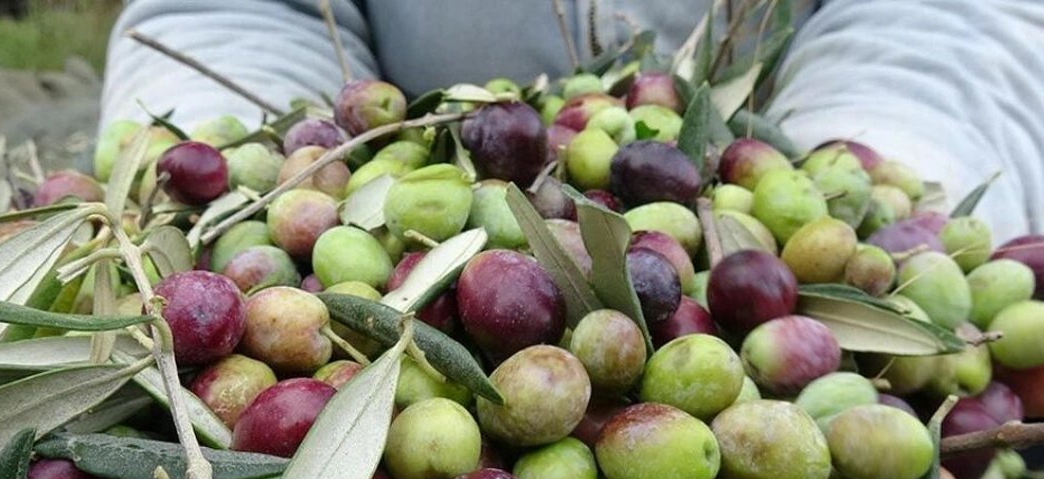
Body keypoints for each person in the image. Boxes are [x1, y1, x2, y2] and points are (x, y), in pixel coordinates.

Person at [99, 0, 1044, 243]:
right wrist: (234, 166)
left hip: (776, 192)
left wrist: (887, 173)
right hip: (398, 194)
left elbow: (952, 17)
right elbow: (237, 12)